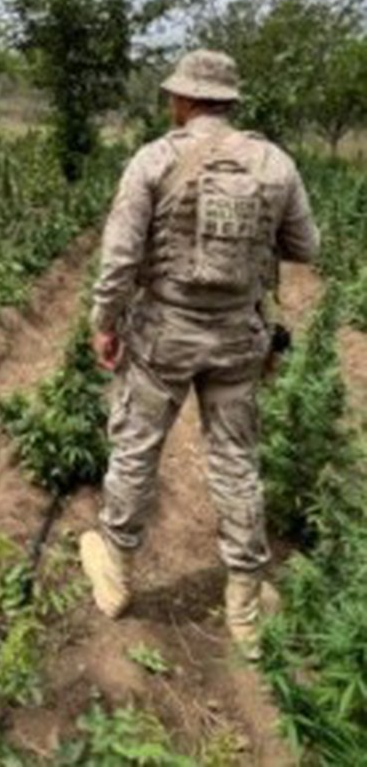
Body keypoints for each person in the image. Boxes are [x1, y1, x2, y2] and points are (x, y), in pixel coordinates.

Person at [80, 49, 319, 658]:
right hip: (239, 336)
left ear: (182, 101)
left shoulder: (154, 159)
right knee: (235, 461)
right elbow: (305, 246)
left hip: (164, 336)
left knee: (136, 449)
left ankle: (118, 576)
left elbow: (120, 259)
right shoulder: (274, 162)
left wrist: (105, 321)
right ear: (230, 101)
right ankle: (244, 602)